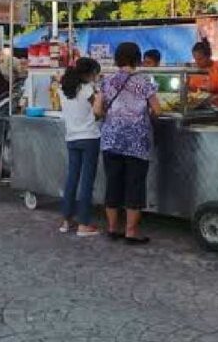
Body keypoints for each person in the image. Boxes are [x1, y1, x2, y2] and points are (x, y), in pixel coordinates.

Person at [99, 42, 161, 245]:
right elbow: (157, 110)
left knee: (113, 183)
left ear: (117, 58)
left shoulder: (107, 81)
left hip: (111, 140)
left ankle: (111, 229)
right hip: (136, 142)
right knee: (134, 185)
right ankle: (131, 232)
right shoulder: (144, 82)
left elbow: (97, 110)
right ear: (137, 58)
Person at [59, 58, 102, 237]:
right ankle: (84, 224)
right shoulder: (87, 89)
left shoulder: (64, 90)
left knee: (72, 179)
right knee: (86, 181)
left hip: (72, 138)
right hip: (89, 137)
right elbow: (98, 112)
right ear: (89, 73)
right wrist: (100, 97)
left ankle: (66, 221)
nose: (95, 77)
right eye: (95, 73)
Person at [188, 38, 218, 107]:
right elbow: (188, 89)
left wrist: (213, 98)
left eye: (200, 59)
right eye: (195, 59)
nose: (197, 62)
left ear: (208, 56)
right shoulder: (192, 71)